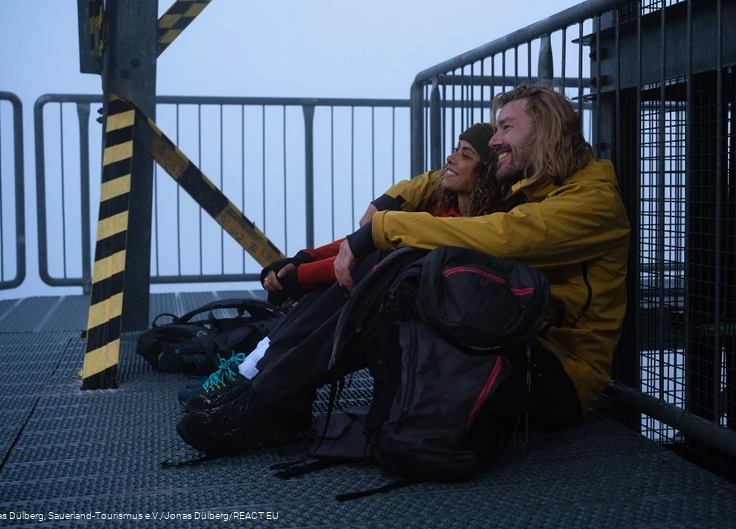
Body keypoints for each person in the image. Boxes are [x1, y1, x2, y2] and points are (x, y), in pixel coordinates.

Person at [176, 83, 629, 455]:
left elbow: (505, 237)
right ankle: (271, 396)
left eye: (505, 127)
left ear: (545, 130)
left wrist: (382, 228)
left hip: (555, 375)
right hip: (511, 337)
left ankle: (267, 397)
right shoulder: (534, 180)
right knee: (388, 267)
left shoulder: (590, 203)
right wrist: (392, 201)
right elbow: (438, 180)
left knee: (397, 264)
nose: (494, 140)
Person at [178, 123, 506, 413]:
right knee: (339, 282)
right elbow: (359, 242)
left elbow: (376, 252)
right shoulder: (440, 209)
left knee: (353, 282)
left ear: (486, 174)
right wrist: (303, 260)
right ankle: (257, 371)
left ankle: (262, 379)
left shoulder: (470, 226)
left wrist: (302, 277)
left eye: (465, 155)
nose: (450, 158)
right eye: (454, 149)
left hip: (430, 317)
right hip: (397, 303)